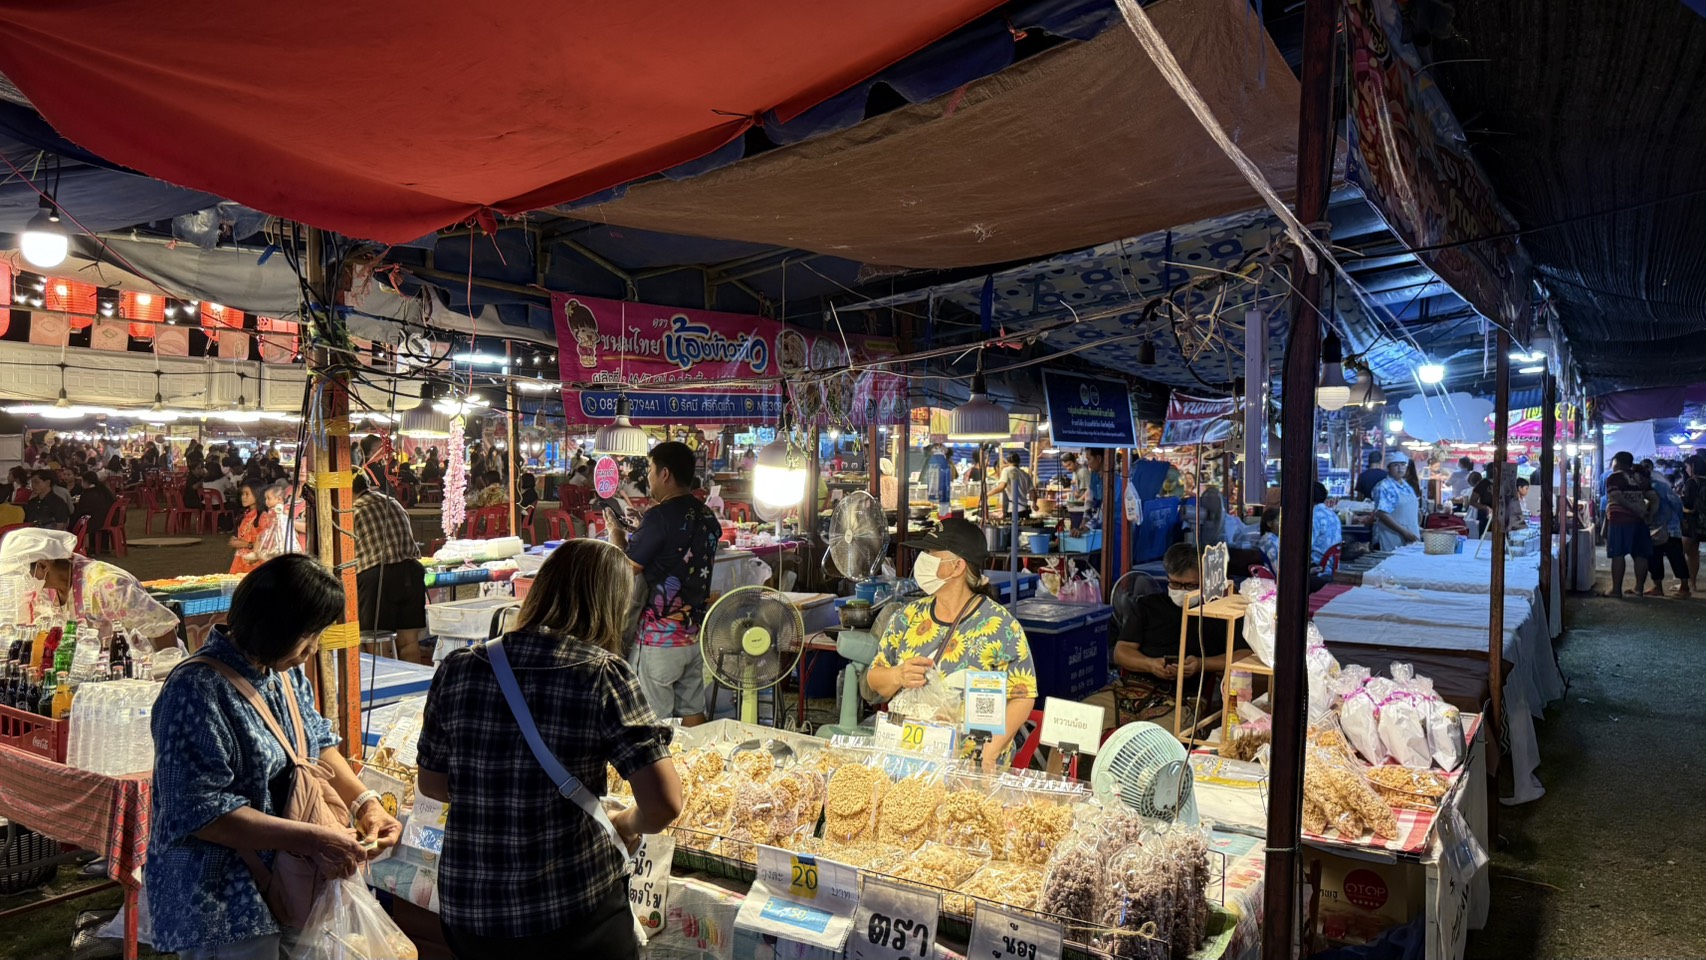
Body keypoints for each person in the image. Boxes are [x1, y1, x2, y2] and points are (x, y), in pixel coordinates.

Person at [415, 539, 681, 960]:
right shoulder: (602, 674)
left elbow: (432, 784)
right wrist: (624, 820)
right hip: (571, 915)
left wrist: (499, 793)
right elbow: (664, 803)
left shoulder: (458, 667)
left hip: (472, 915)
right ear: (611, 605)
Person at [146, 555, 402, 960]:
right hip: (224, 898)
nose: (311, 650)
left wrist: (365, 804)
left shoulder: (281, 671)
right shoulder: (195, 689)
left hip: (291, 879)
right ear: (275, 625)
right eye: (307, 636)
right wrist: (314, 839)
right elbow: (199, 812)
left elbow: (315, 743)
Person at [865, 518, 1037, 771]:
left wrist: (989, 754)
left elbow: (1023, 696)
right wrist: (898, 674)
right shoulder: (906, 617)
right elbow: (873, 679)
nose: (922, 559)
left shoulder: (1001, 627)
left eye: (931, 553)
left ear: (957, 566)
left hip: (972, 766)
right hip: (908, 759)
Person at [608, 441, 722, 724]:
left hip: (657, 641)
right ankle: (696, 767)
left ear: (665, 473)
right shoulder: (707, 515)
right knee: (693, 712)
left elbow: (627, 568)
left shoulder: (659, 516)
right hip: (692, 636)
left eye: (650, 469)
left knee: (651, 724)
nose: (648, 477)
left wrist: (617, 539)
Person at [1085, 543, 1241, 743]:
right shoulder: (1147, 606)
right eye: (1175, 584)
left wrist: (1201, 664)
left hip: (1182, 699)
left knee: (1154, 744)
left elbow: (1241, 656)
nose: (1181, 590)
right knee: (1073, 722)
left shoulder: (1217, 611)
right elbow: (1121, 652)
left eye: (1190, 585)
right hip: (1129, 690)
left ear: (1205, 581)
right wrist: (1150, 664)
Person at [0, 527, 180, 650]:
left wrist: (169, 676)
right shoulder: (45, 589)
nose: (19, 581)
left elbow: (161, 628)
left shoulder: (105, 585)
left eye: (20, 574)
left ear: (43, 566)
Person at [350, 474, 430, 663]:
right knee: (409, 642)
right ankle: (412, 688)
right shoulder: (392, 502)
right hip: (411, 572)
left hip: (378, 577)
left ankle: (382, 687)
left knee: (377, 640)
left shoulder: (353, 511)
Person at [1604, 450, 1657, 599]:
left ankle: (1616, 589)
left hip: (1620, 519)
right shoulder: (1639, 478)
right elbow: (1653, 496)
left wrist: (1636, 510)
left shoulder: (1614, 478)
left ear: (1617, 462)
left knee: (1618, 553)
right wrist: (1648, 513)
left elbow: (1617, 497)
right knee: (1640, 554)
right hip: (1640, 521)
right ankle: (1638, 589)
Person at [1643, 464, 1690, 598]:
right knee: (1654, 557)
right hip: (1655, 528)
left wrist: (1681, 520)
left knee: (1676, 557)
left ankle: (1685, 588)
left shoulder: (1659, 486)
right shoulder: (1646, 489)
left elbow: (1676, 502)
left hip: (1670, 528)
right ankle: (1657, 587)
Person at [1372, 451, 1421, 549]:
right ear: (1389, 468)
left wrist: (1418, 528)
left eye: (1403, 464)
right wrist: (1404, 532)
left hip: (1411, 535)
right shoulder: (1384, 486)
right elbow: (1382, 513)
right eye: (1395, 465)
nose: (1400, 468)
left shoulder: (1406, 486)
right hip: (1392, 536)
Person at [229, 479, 270, 575]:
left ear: (258, 494)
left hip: (255, 564)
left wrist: (246, 544)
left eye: (247, 494)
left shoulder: (264, 517)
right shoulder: (245, 514)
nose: (243, 497)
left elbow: (266, 544)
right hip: (241, 560)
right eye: (242, 494)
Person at [1680, 455, 1706, 593]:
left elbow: (1688, 505)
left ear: (1693, 467)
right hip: (1703, 522)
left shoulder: (1692, 482)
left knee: (1681, 553)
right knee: (1693, 553)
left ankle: (1686, 585)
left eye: (1688, 466)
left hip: (1691, 523)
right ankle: (1691, 584)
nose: (1686, 469)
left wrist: (1680, 502)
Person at [985, 451, 1034, 519]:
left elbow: (1001, 487)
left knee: (1011, 529)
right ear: (1019, 462)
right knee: (1022, 528)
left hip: (1013, 510)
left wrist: (986, 495)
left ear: (1007, 461)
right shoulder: (1026, 475)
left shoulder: (1007, 470)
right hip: (1025, 510)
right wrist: (1034, 505)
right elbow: (1033, 494)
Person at [1310, 481, 1343, 572]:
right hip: (1332, 566)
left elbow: (1304, 547)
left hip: (1318, 569)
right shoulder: (1333, 514)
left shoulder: (1313, 516)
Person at [1256, 507, 1282, 574]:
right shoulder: (1271, 542)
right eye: (1279, 520)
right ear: (1269, 523)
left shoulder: (1267, 538)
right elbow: (1278, 571)